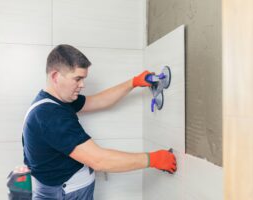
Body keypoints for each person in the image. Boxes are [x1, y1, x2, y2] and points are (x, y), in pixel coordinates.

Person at [22, 44, 177, 200]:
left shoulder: (56, 101)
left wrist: (134, 82)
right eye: (77, 78)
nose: (82, 85)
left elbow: (98, 101)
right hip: (64, 195)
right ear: (55, 76)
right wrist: (154, 159)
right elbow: (99, 160)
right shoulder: (49, 115)